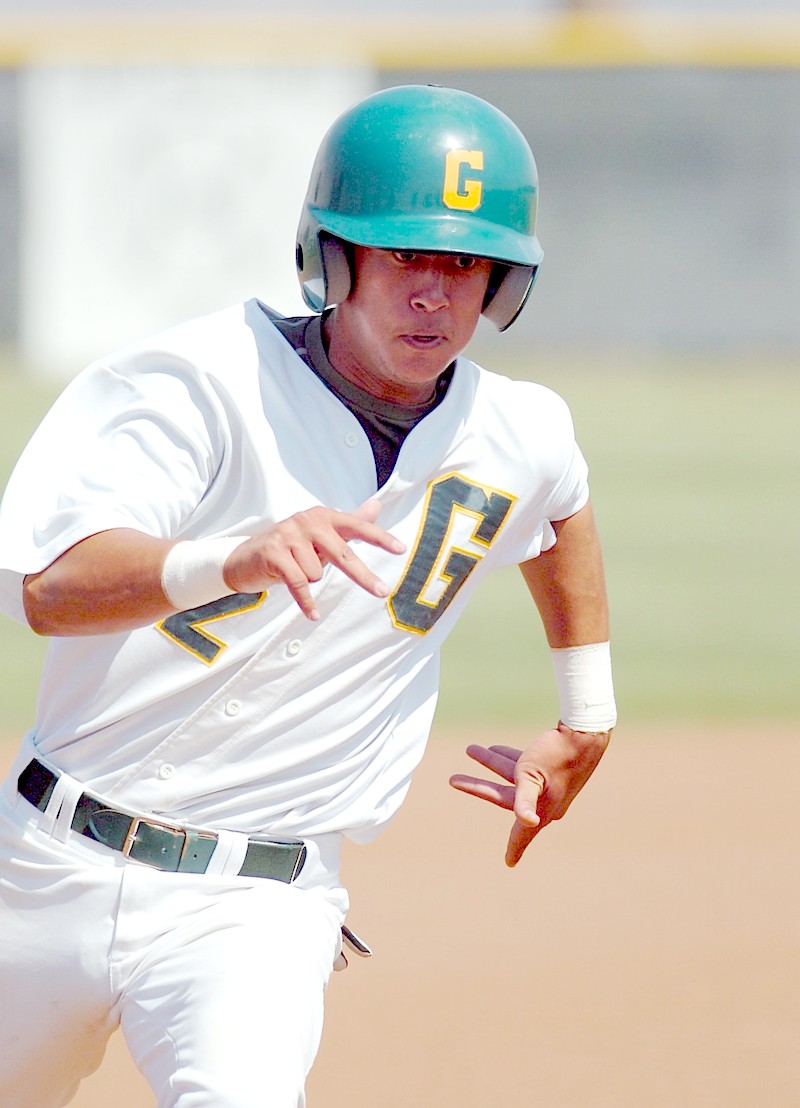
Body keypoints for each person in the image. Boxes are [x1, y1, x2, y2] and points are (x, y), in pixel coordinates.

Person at [0, 84, 616, 1107]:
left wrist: (585, 715)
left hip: (257, 908)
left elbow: (560, 511)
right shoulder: (192, 384)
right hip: (45, 864)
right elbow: (49, 590)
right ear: (331, 260)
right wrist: (224, 561)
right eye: (405, 256)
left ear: (500, 282)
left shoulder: (518, 431)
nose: (434, 293)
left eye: (463, 262)